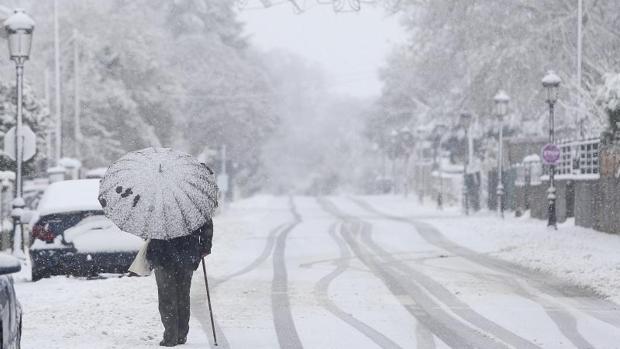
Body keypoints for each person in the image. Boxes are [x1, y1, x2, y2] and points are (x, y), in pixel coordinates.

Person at [147, 219, 213, 347]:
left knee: (167, 297)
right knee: (183, 296)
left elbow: (146, 225)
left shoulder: (154, 202)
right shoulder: (191, 201)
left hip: (162, 254)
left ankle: (171, 336)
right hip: (187, 253)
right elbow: (206, 222)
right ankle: (181, 334)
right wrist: (205, 246)